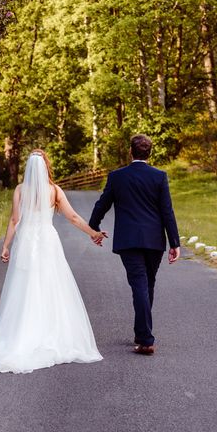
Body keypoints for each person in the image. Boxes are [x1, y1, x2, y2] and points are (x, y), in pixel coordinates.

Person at [0, 149, 105, 374]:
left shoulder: (20, 190)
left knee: (23, 287)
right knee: (50, 285)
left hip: (26, 241)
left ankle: (21, 334)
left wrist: (5, 245)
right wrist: (92, 233)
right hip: (47, 241)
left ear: (28, 168)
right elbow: (72, 217)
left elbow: (15, 220)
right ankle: (49, 333)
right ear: (45, 167)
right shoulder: (54, 190)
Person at [89, 134, 180, 355]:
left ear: (131, 152)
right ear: (149, 153)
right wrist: (174, 243)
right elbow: (167, 211)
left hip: (129, 240)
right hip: (154, 240)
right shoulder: (159, 176)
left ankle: (145, 338)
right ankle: (142, 335)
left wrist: (94, 228)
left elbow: (102, 204)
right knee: (147, 283)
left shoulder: (117, 176)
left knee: (140, 284)